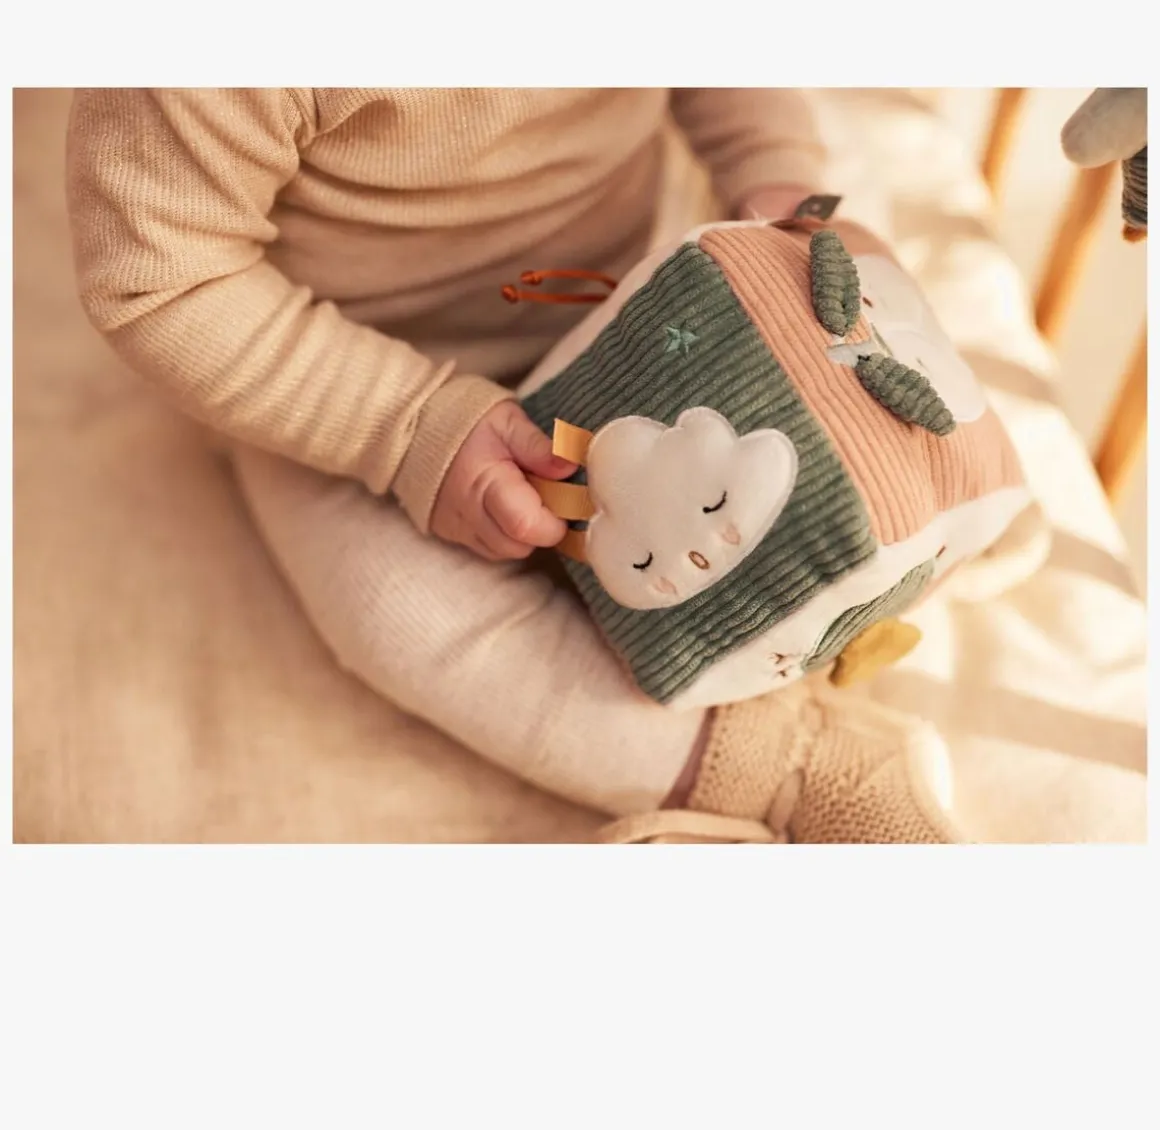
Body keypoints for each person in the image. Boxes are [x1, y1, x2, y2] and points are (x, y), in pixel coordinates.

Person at [66, 89, 954, 842]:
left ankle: (925, 503)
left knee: (845, 288)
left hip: (638, 295)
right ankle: (787, 760)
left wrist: (773, 169)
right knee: (392, 603)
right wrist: (403, 426)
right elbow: (163, 276)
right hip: (343, 369)